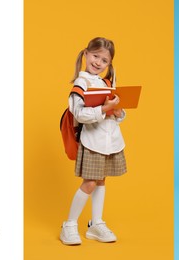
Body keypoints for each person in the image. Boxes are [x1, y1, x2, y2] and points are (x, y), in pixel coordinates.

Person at [59, 37, 126, 246]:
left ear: (109, 64)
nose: (98, 62)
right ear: (86, 54)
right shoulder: (81, 84)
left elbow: (118, 116)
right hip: (93, 141)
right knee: (89, 183)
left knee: (101, 181)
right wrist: (104, 110)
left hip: (110, 140)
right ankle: (69, 225)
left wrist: (117, 111)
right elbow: (79, 114)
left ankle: (96, 224)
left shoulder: (107, 83)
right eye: (95, 56)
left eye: (104, 60)